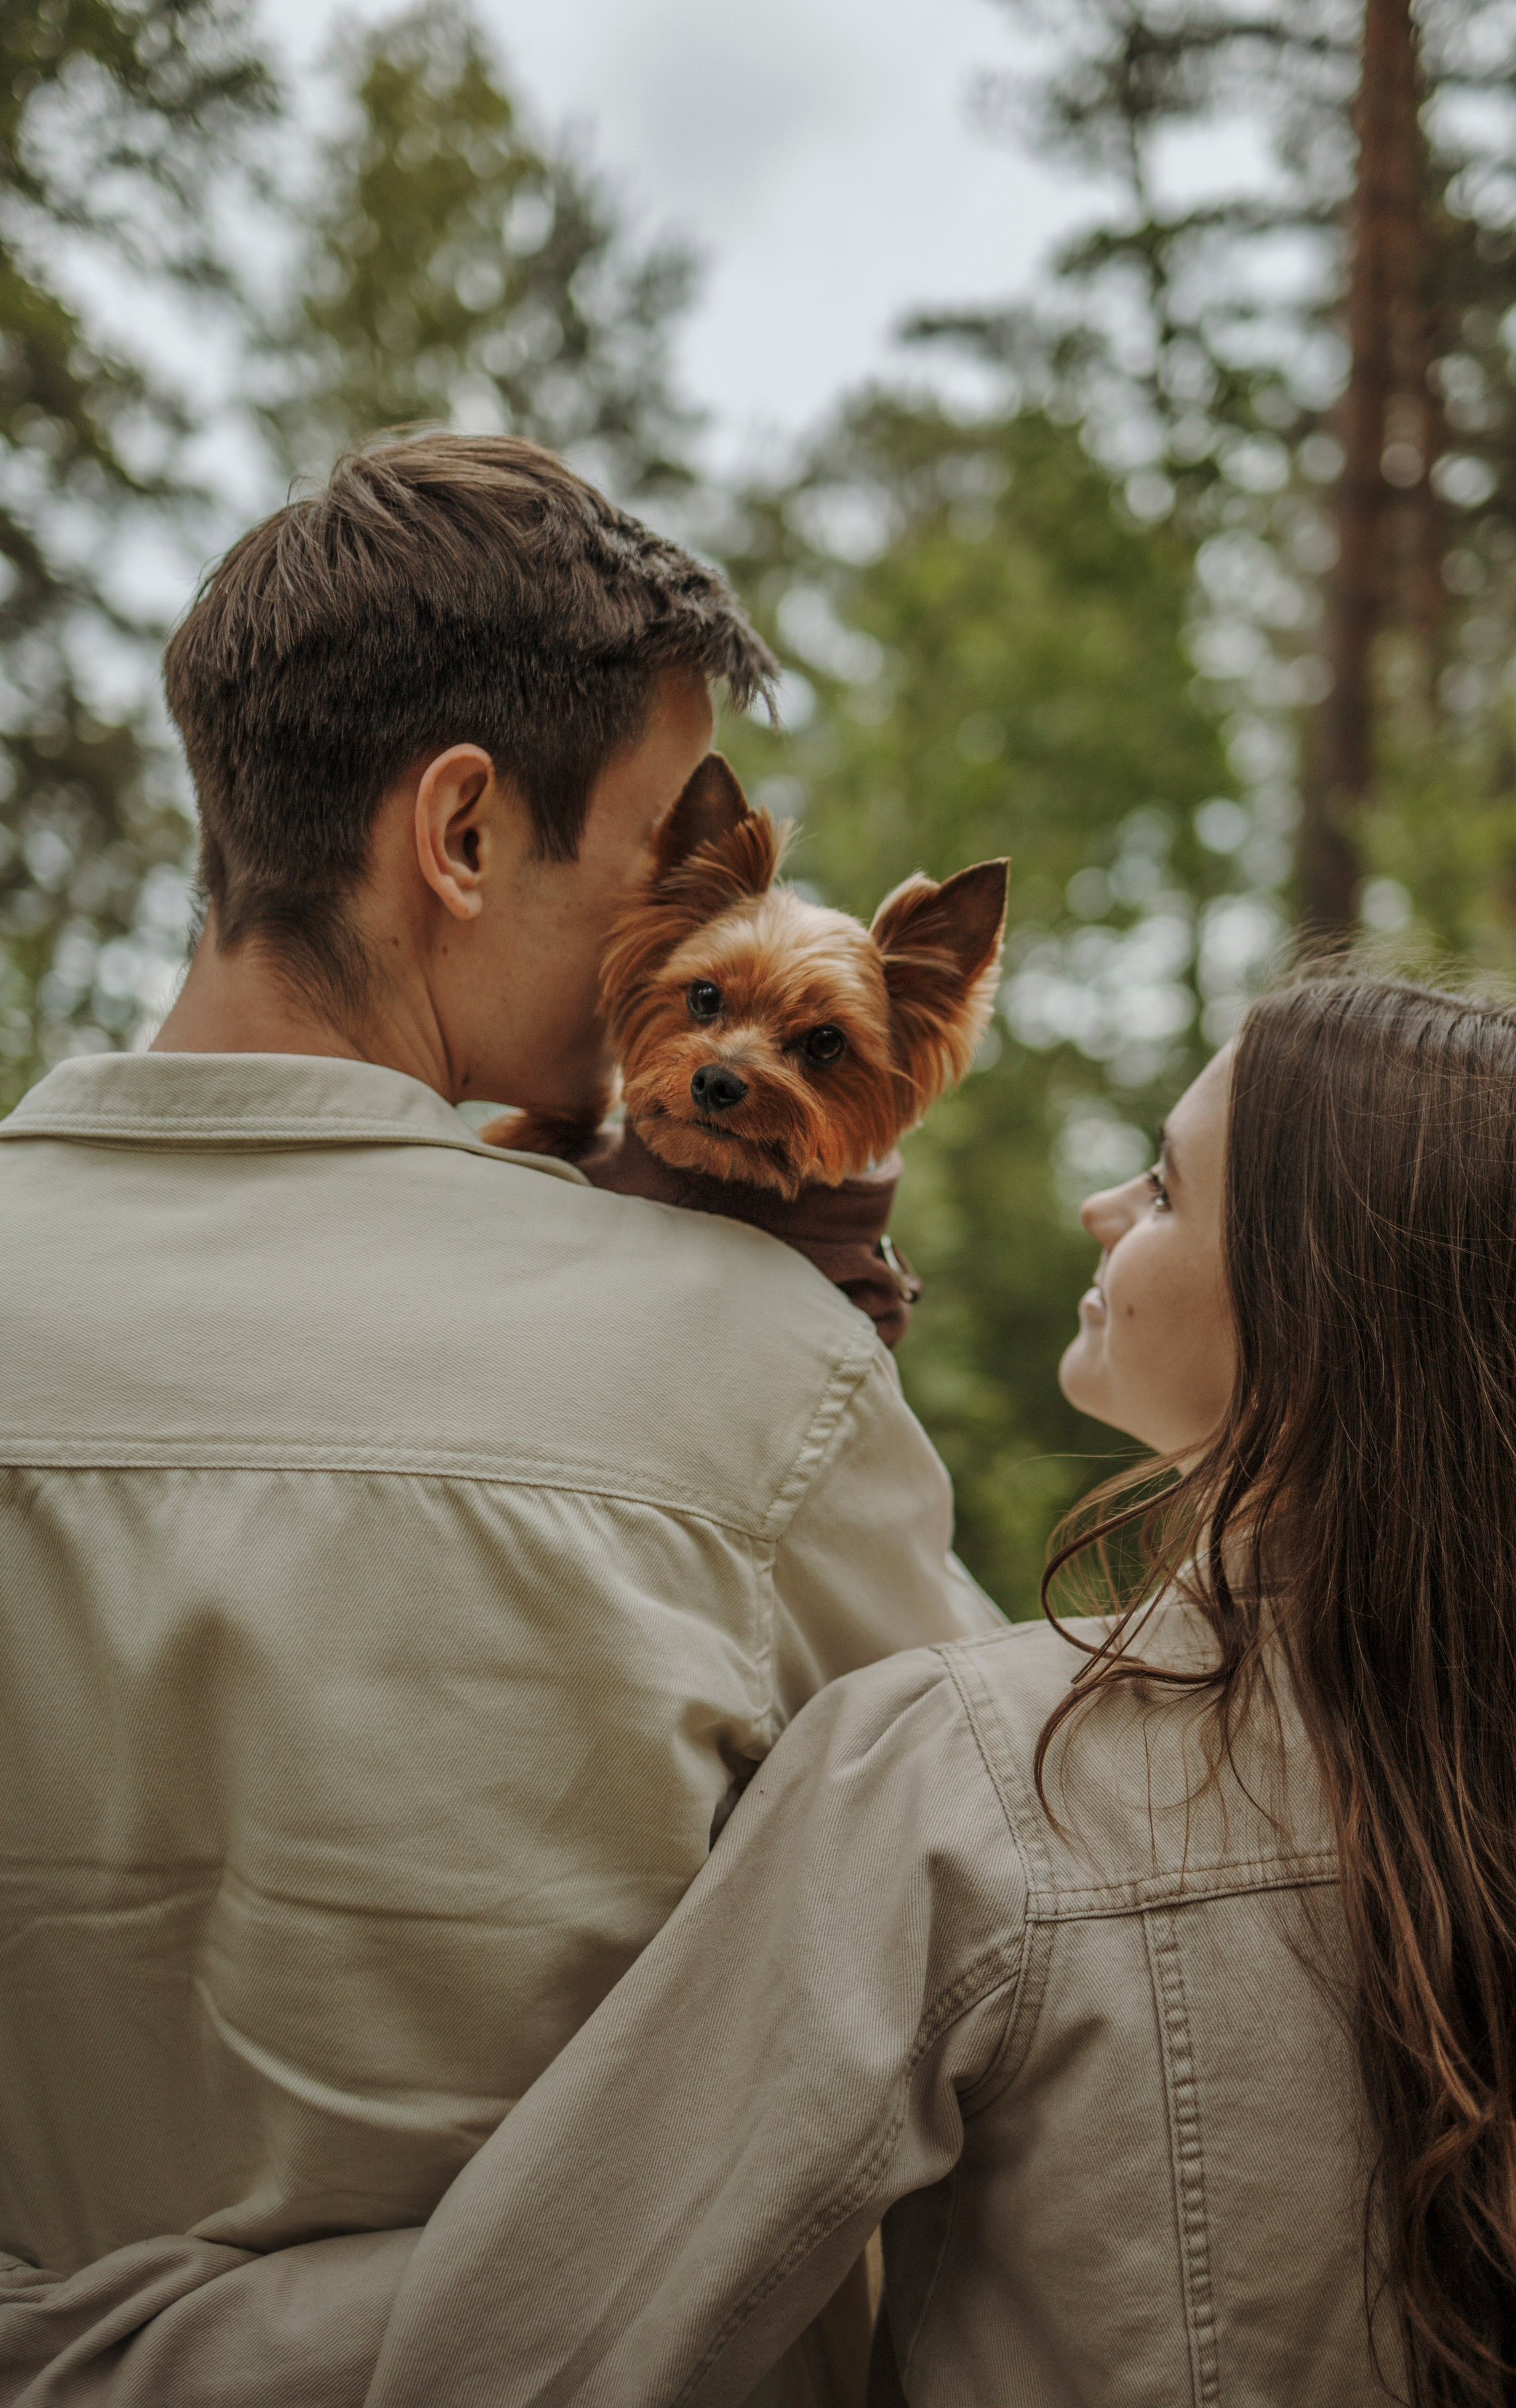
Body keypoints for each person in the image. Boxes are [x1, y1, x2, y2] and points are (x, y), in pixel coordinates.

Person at [0, 435, 997, 2403]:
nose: (673, 927)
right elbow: (1029, 1913)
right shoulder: (755, 1363)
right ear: (461, 834)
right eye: (654, 856)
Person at [345, 975, 1516, 2408]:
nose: (1099, 1210)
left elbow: (522, 2350)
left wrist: (143, 2336)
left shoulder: (970, 1778)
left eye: (1165, 1192)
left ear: (1324, 1315)